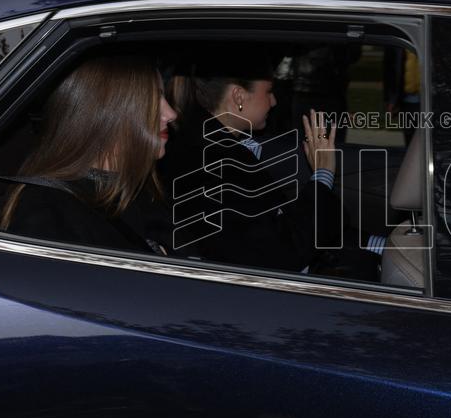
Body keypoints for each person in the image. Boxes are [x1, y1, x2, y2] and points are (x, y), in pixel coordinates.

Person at [160, 47, 383, 273]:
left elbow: (287, 226)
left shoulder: (223, 147)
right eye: (268, 92)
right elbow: (282, 252)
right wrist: (322, 175)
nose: (274, 101)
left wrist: (381, 246)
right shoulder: (211, 164)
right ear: (238, 96)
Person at [0, 55, 179, 255]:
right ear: (107, 114)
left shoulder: (140, 189)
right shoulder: (49, 210)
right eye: (153, 101)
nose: (171, 114)